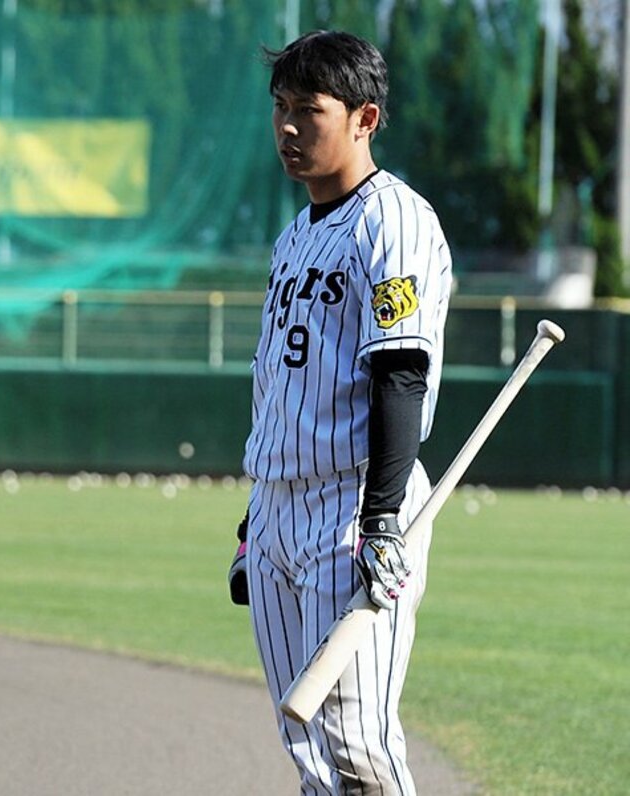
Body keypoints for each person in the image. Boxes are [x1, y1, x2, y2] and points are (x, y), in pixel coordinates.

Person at [229, 31, 452, 793]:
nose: (288, 127)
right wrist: (252, 520)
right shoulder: (295, 235)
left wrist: (384, 518)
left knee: (356, 739)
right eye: (280, 108)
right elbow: (277, 387)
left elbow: (399, 374)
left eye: (309, 110)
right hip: (280, 513)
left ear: (365, 118)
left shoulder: (395, 221)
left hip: (355, 506)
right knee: (309, 749)